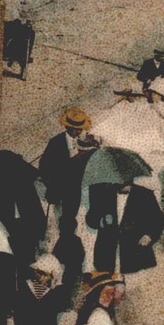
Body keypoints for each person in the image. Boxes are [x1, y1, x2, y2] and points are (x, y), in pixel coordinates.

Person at [38, 107, 97, 284]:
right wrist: (52, 183)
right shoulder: (55, 143)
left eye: (80, 128)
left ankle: (68, 251)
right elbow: (44, 166)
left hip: (74, 190)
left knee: (70, 221)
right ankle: (56, 253)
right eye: (75, 128)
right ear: (68, 127)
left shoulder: (84, 143)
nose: (78, 131)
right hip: (58, 190)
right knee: (57, 221)